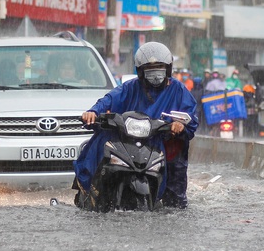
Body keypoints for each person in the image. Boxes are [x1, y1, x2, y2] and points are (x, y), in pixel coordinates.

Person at [73, 42, 199, 209]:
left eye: (160, 67)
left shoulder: (178, 90)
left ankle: (173, 203)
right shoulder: (130, 87)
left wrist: (180, 125)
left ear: (168, 69)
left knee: (175, 186)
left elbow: (190, 116)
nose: (156, 72)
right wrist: (94, 112)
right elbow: (109, 100)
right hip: (127, 141)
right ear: (140, 71)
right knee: (102, 138)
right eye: (150, 68)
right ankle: (92, 190)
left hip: (159, 140)